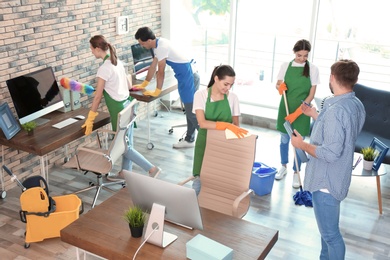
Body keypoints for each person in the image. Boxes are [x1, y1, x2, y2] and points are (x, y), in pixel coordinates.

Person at [291, 60, 365, 259]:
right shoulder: (355, 104)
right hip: (338, 176)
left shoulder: (335, 111)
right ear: (354, 80)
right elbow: (342, 132)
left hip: (326, 183)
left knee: (331, 236)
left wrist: (302, 145)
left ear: (332, 78)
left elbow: (331, 152)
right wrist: (316, 115)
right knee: (327, 235)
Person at [85, 35, 161, 180]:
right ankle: (125, 173)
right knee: (127, 143)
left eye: (91, 49)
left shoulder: (104, 68)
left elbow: (97, 97)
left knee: (123, 146)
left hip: (119, 110)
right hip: (129, 105)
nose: (91, 52)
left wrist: (90, 118)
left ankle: (151, 169)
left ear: (97, 48)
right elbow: (127, 85)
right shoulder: (117, 62)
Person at [134, 27, 200, 149]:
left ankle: (210, 140)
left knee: (191, 112)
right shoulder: (157, 45)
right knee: (190, 110)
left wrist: (157, 91)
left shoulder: (161, 47)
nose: (142, 46)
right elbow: (153, 67)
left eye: (142, 43)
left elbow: (161, 72)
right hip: (186, 76)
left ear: (149, 40)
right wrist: (144, 83)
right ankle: (190, 140)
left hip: (188, 76)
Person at [191, 65, 248, 195]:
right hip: (205, 142)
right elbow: (202, 123)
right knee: (199, 179)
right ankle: (192, 208)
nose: (228, 88)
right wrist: (226, 125)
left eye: (231, 85)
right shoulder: (201, 95)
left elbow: (236, 125)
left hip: (225, 144)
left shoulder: (233, 98)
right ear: (216, 78)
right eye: (226, 84)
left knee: (221, 180)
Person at [274, 39, 320, 188]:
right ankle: (283, 167)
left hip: (303, 111)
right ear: (294, 52)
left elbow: (311, 94)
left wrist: (298, 112)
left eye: (305, 56)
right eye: (299, 55)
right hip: (285, 108)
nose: (302, 58)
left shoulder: (312, 69)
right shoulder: (285, 66)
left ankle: (296, 172)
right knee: (284, 140)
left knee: (299, 143)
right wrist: (280, 87)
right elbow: (278, 84)